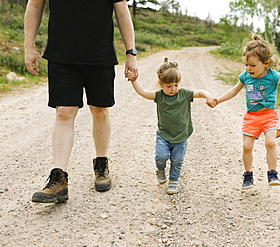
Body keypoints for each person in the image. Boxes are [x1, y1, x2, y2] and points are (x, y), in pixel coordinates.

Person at [24, 0, 138, 203]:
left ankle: (101, 164)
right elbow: (34, 6)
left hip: (100, 55)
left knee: (100, 110)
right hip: (61, 56)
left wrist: (131, 53)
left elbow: (122, 13)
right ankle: (59, 178)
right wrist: (28, 47)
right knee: (64, 111)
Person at [214, 33, 280, 189]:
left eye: (252, 65)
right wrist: (218, 100)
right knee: (246, 146)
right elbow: (233, 91)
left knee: (271, 142)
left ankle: (272, 173)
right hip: (251, 117)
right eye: (246, 64)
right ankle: (248, 176)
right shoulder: (245, 77)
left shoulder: (273, 76)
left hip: (268, 115)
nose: (248, 68)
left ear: (265, 63)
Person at [127, 57, 215, 194]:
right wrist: (134, 80)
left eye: (176, 85)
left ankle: (173, 181)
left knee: (177, 160)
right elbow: (143, 92)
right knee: (161, 157)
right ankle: (160, 169)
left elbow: (200, 92)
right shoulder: (159, 96)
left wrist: (208, 96)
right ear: (161, 84)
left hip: (181, 136)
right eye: (169, 86)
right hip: (164, 135)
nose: (173, 89)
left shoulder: (185, 94)